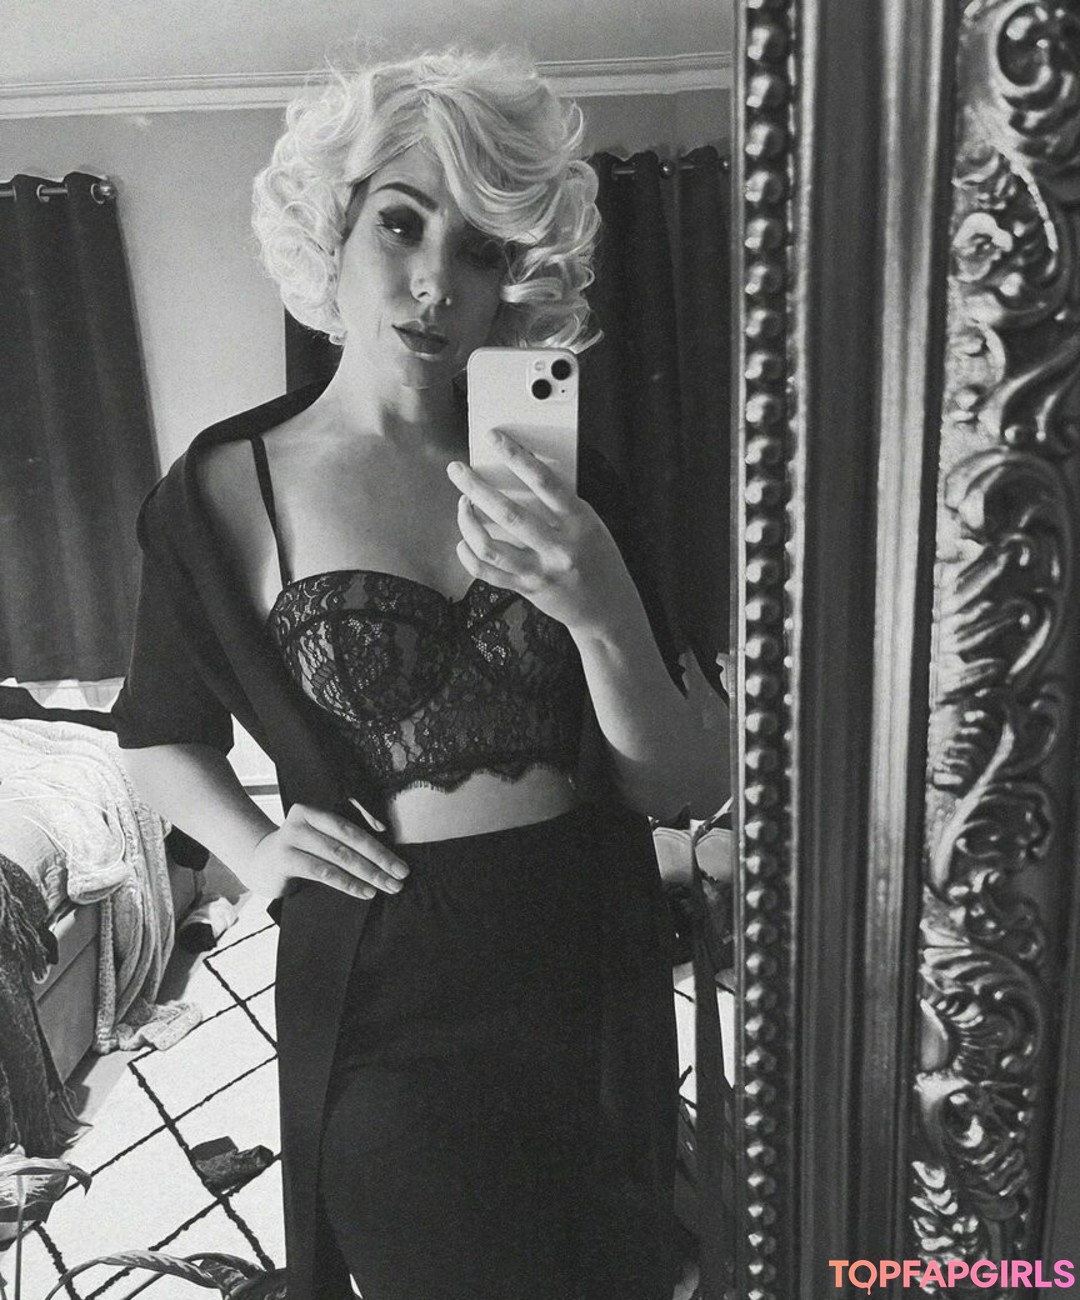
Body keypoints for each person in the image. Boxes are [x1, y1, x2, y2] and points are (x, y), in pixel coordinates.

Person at [113, 48, 726, 1300]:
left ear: (516, 277)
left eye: (483, 249)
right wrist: (257, 851)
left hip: (587, 964)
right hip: (383, 986)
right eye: (402, 222)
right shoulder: (223, 490)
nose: (438, 281)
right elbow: (158, 731)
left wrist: (598, 601)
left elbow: (676, 781)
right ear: (330, 230)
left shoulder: (571, 484)